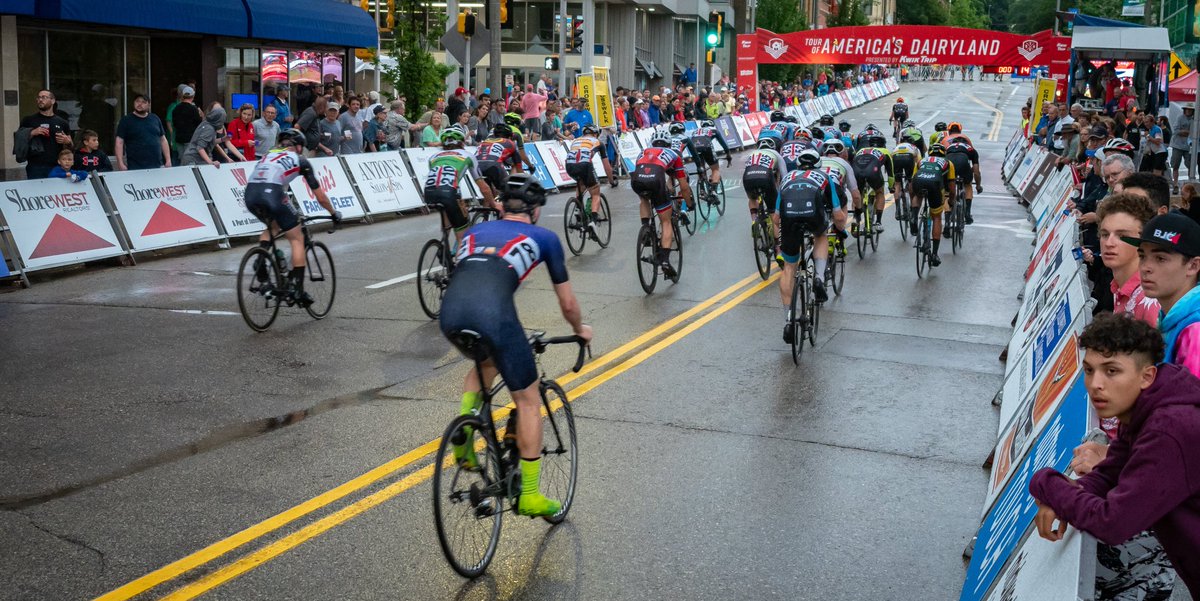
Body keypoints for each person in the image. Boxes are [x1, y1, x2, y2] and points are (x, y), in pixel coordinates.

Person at [439, 173, 592, 517]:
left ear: (502, 207)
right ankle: (530, 494)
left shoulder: (474, 232)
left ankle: (465, 430)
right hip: (493, 315)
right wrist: (580, 329)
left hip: (451, 312)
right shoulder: (545, 237)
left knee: (484, 363)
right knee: (527, 398)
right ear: (535, 210)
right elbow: (567, 305)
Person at [1029, 313, 1200, 599]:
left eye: (1111, 371)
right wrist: (1061, 498)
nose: (1096, 384)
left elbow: (1113, 523)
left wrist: (1046, 483)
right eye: (1089, 370)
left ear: (1147, 376)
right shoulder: (1144, 407)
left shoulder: (1167, 431)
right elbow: (1110, 474)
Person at [244, 129, 340, 307]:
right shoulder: (301, 160)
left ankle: (261, 258)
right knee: (297, 238)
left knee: (273, 227)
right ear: (298, 146)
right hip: (272, 193)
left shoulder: (268, 155)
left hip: (250, 194)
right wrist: (334, 214)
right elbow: (320, 197)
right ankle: (297, 288)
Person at [1124, 212, 1200, 375]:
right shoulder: (1171, 317)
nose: (1145, 267)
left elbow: (1188, 398)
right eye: (1143, 256)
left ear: (1193, 266)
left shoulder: (1195, 330)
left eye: (1160, 258)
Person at [778, 151, 840, 341]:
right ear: (818, 165)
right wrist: (841, 230)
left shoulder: (787, 177)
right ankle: (819, 277)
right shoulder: (824, 177)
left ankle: (789, 320)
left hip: (789, 218)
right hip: (813, 215)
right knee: (821, 235)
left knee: (789, 267)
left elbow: (774, 216)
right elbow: (837, 214)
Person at [630, 131, 693, 277]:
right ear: (669, 143)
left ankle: (646, 229)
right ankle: (664, 260)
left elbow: (638, 168)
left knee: (644, 198)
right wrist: (689, 204)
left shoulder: (643, 151)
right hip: (656, 180)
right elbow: (683, 186)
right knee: (666, 221)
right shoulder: (674, 154)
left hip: (637, 180)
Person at [422, 128, 496, 248]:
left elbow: (441, 181)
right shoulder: (468, 155)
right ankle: (458, 262)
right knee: (463, 237)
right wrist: (494, 204)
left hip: (428, 193)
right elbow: (484, 187)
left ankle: (444, 247)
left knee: (448, 207)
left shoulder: (433, 157)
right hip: (449, 193)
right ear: (462, 142)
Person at [1097, 192, 1160, 326]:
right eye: (1104, 234)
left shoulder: (1150, 300)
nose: (1109, 243)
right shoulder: (1119, 287)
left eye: (1122, 236)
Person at [909, 142, 957, 266]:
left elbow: (911, 185)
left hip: (919, 180)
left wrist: (912, 200)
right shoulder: (948, 163)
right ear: (944, 154)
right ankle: (934, 254)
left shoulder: (921, 161)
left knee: (918, 196)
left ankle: (914, 217)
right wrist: (951, 201)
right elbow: (952, 188)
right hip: (935, 183)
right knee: (936, 217)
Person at [564, 125, 614, 238]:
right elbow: (606, 166)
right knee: (595, 192)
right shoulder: (598, 142)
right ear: (596, 134)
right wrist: (611, 181)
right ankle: (593, 221)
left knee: (581, 183)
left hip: (569, 166)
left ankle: (578, 208)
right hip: (585, 165)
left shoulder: (576, 140)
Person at [742, 137, 789, 250]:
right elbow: (785, 175)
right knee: (774, 212)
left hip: (748, 178)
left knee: (752, 199)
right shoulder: (776, 154)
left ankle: (754, 221)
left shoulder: (752, 153)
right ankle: (778, 249)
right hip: (765, 178)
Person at [19, 89, 73, 179]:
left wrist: (67, 142)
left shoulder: (62, 122)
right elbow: (19, 141)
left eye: (44, 97)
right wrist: (31, 133)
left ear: (52, 101)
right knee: (36, 192)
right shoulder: (28, 120)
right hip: (35, 166)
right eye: (39, 97)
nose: (40, 100)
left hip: (57, 166)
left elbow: (71, 147)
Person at [850, 131, 893, 235]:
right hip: (872, 172)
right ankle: (878, 222)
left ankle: (856, 218)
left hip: (856, 170)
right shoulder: (885, 151)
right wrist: (891, 187)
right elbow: (891, 173)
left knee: (858, 194)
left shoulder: (861, 150)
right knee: (879, 192)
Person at [115, 94, 171, 171]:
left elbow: (163, 140)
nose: (140, 104)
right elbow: (119, 142)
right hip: (135, 167)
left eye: (143, 102)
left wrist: (168, 160)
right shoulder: (126, 120)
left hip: (157, 166)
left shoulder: (155, 118)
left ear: (149, 105)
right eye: (137, 101)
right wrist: (120, 163)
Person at [944, 125, 982, 224]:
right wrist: (978, 185)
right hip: (963, 162)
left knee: (947, 194)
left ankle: (947, 224)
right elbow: (976, 171)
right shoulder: (970, 149)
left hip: (950, 161)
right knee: (967, 185)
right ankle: (967, 213)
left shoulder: (948, 147)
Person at [474, 124, 523, 200]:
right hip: (492, 166)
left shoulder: (486, 141)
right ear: (509, 137)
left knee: (489, 196)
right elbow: (519, 167)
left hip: (476, 167)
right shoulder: (509, 142)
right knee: (507, 192)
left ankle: (487, 209)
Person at [690, 119, 733, 195]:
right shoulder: (714, 130)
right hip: (706, 147)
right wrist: (728, 155)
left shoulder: (695, 131)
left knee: (701, 169)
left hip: (694, 149)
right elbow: (724, 145)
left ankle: (702, 190)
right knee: (715, 169)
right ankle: (713, 190)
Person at [170, 86, 202, 158]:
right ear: (192, 96)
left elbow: (174, 124)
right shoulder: (193, 109)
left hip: (179, 138)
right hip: (190, 139)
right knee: (190, 161)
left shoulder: (176, 108)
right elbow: (199, 124)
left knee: (182, 160)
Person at [1170, 104, 1193, 192]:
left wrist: (1184, 132)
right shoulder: (1180, 118)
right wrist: (1187, 132)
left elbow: (1195, 133)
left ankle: (1189, 184)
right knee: (1175, 165)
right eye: (1187, 109)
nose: (1188, 111)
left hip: (1189, 146)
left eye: (1190, 110)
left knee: (1190, 165)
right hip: (1177, 145)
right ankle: (1175, 184)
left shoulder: (1194, 119)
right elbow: (1176, 131)